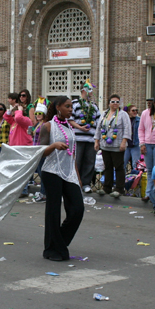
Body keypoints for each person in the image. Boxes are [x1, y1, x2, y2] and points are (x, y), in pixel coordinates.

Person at [38, 95, 84, 261]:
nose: (71, 109)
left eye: (71, 107)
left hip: (69, 172)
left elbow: (73, 155)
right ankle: (52, 248)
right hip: (51, 172)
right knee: (53, 211)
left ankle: (58, 242)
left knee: (78, 209)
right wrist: (53, 146)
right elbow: (40, 152)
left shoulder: (70, 127)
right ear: (58, 107)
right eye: (67, 106)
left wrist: (77, 177)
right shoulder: (47, 127)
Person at [94, 94, 131, 198]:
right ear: (109, 103)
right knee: (107, 167)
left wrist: (124, 142)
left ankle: (119, 188)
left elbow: (127, 129)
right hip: (105, 145)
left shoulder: (123, 114)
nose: (115, 104)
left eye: (117, 102)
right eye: (113, 101)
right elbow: (98, 128)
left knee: (119, 167)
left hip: (117, 145)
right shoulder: (104, 114)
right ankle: (107, 187)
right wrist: (97, 141)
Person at [71, 80, 101, 193]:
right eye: (89, 90)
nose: (91, 93)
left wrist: (97, 139)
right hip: (78, 138)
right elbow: (70, 120)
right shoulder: (75, 103)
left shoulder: (94, 106)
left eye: (92, 90)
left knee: (89, 161)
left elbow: (98, 123)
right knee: (77, 161)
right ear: (83, 90)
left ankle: (86, 183)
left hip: (90, 139)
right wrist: (80, 127)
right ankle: (75, 182)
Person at [123, 104, 141, 170]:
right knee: (123, 164)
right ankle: (123, 179)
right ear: (128, 112)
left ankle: (135, 179)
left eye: (136, 110)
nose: (135, 112)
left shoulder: (139, 120)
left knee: (135, 165)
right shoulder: (125, 120)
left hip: (135, 145)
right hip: (126, 145)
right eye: (133, 110)